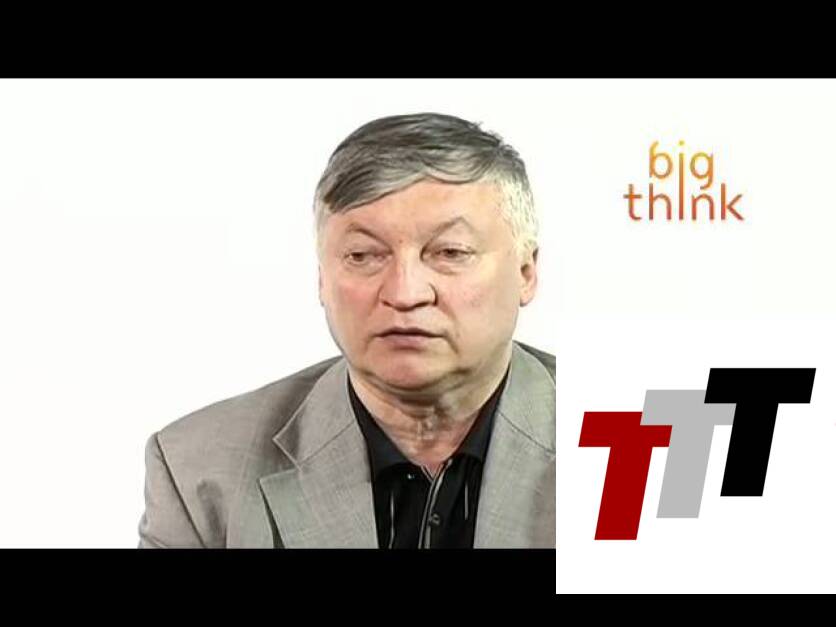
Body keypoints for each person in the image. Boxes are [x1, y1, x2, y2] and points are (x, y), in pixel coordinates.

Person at [137, 112, 555, 548]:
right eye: (363, 255)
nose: (405, 293)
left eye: (450, 252)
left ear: (525, 273)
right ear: (322, 277)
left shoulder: (605, 437)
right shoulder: (199, 472)